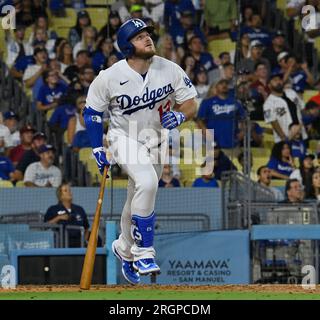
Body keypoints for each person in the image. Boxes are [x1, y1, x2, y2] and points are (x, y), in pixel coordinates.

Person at [82, 18, 197, 284]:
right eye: (139, 36)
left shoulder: (169, 69)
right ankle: (144, 251)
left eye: (147, 34)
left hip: (156, 141)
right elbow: (92, 113)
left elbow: (191, 102)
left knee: (137, 195)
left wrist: (181, 116)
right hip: (124, 138)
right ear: (127, 45)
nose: (147, 38)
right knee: (147, 183)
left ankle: (123, 248)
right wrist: (98, 147)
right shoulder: (109, 77)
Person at [263, 72, 307, 143]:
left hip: (301, 134)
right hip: (286, 138)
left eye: (279, 79)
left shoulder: (291, 92)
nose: (278, 82)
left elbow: (302, 108)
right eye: (275, 80)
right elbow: (273, 122)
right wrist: (283, 138)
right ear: (269, 85)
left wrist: (305, 124)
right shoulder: (268, 103)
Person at [44, 182, 90, 247]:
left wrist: (84, 241)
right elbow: (45, 226)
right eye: (66, 191)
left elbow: (86, 228)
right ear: (60, 196)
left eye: (70, 190)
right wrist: (58, 218)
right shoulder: (53, 209)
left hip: (79, 243)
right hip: (61, 242)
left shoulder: (79, 209)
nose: (69, 192)